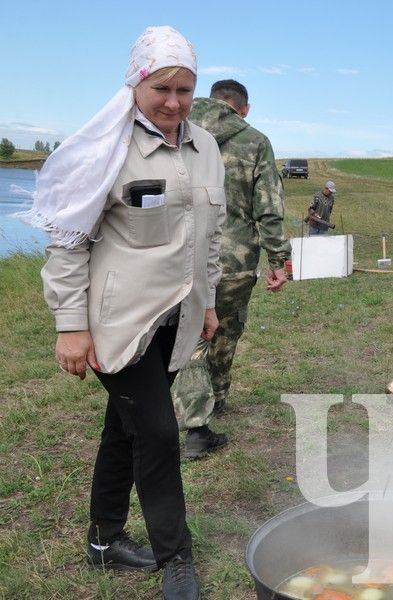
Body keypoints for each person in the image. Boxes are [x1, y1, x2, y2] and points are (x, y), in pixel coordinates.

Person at [20, 26, 224, 600]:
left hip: (175, 321)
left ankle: (105, 540)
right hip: (118, 324)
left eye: (185, 89)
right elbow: (68, 244)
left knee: (127, 427)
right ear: (136, 84)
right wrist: (70, 326)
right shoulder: (105, 150)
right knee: (158, 432)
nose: (174, 102)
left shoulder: (205, 147)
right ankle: (175, 556)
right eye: (162, 88)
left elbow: (209, 235)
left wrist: (205, 303)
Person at [170, 79, 291, 458]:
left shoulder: (176, 131)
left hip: (179, 256)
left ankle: (200, 400)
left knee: (191, 333)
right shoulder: (255, 141)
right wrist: (277, 260)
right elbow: (268, 207)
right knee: (224, 329)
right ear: (245, 108)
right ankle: (201, 417)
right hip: (235, 261)